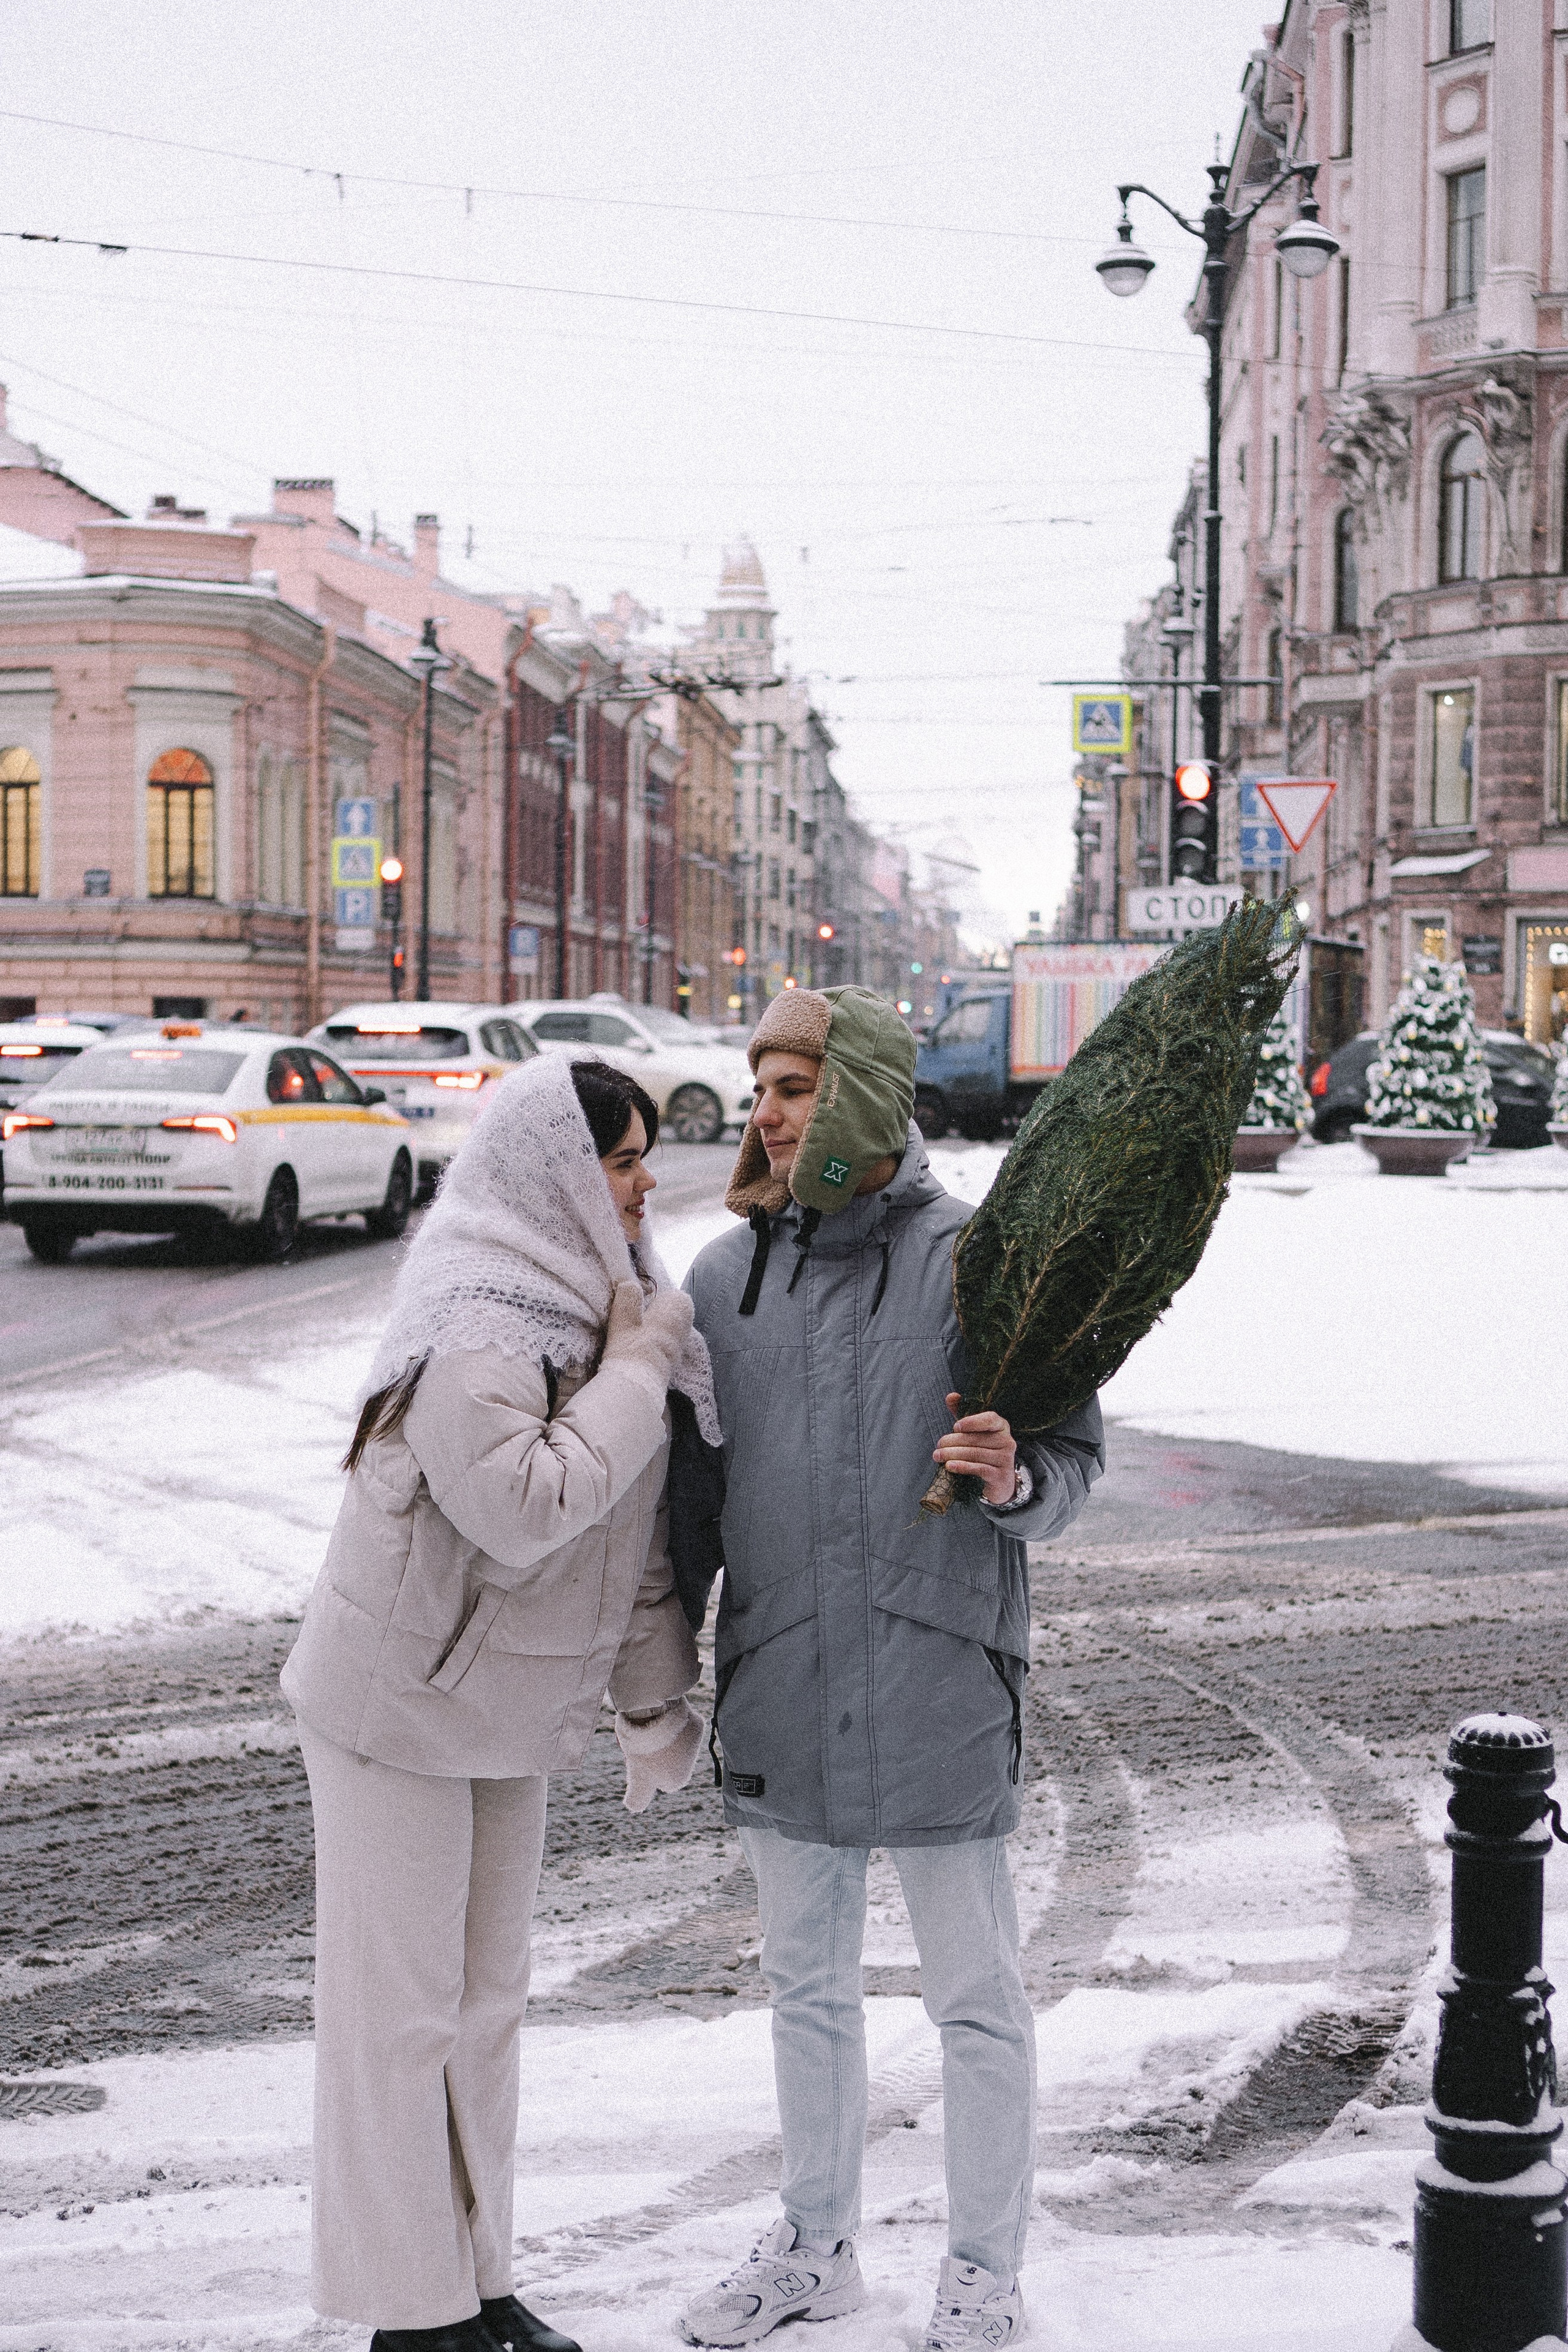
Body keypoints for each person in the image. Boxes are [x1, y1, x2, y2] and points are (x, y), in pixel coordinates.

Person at [677, 987, 1104, 2352]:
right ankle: (815, 2247)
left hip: (936, 1672)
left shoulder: (986, 1259)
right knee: (803, 1989)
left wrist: (1016, 1474)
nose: (767, 1114)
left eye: (794, 1087)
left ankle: (981, 2273)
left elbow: (1072, 1460)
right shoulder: (722, 1278)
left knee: (972, 1997)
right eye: (759, 1089)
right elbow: (685, 1505)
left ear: (860, 1089)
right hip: (779, 1674)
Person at [282, 1052, 717, 2352]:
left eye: (642, 1156)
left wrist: (651, 1705)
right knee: (396, 2016)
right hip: (392, 1707)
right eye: (620, 1158)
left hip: (496, 1710)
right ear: (550, 1169)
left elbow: (630, 1536)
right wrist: (637, 1373)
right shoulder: (480, 1309)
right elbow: (527, 1511)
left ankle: (476, 2283)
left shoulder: (606, 1299)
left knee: (484, 2006)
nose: (643, 1183)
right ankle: (404, 2313)